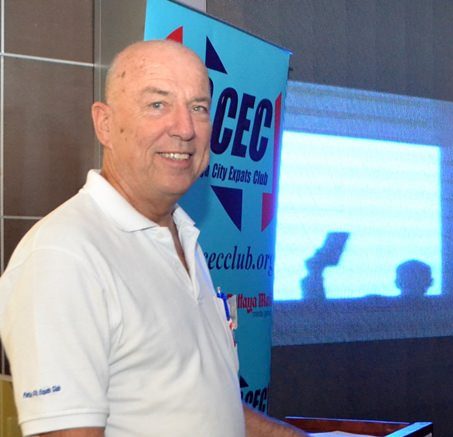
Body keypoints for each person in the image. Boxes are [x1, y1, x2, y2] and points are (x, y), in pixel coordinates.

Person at [0, 40, 306, 437]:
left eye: (199, 107)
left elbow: (200, 402)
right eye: (158, 104)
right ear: (104, 124)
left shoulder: (183, 236)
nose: (185, 129)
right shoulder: (63, 256)